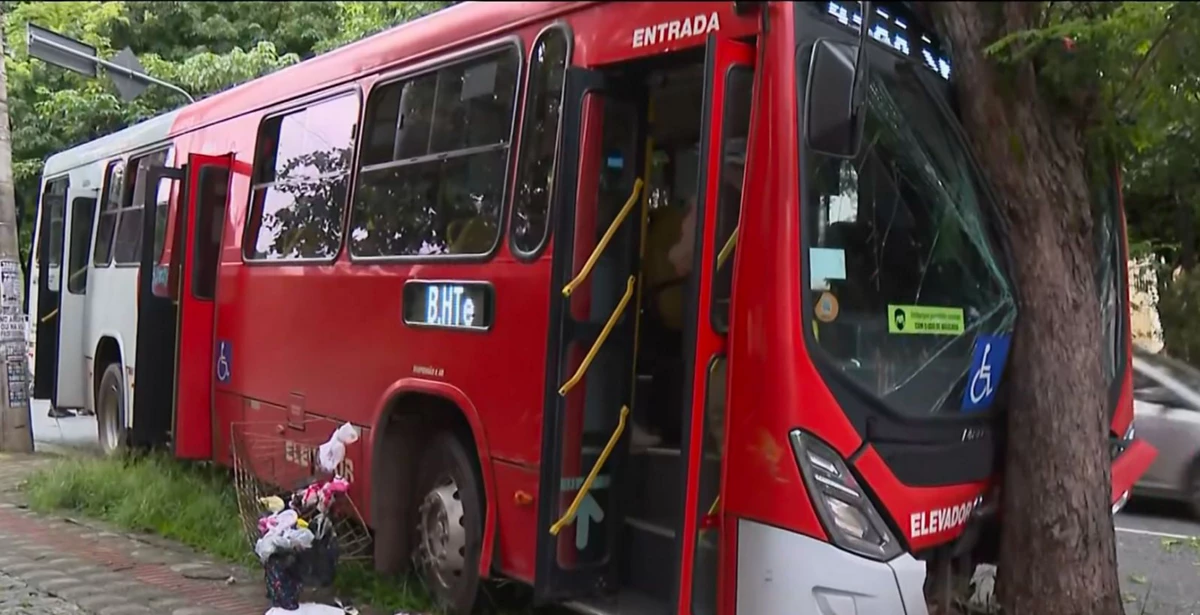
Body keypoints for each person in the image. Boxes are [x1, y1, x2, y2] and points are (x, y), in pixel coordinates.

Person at [632, 195, 696, 449]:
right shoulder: (678, 221)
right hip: (676, 307)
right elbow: (679, 260)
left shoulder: (659, 226)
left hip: (663, 305)